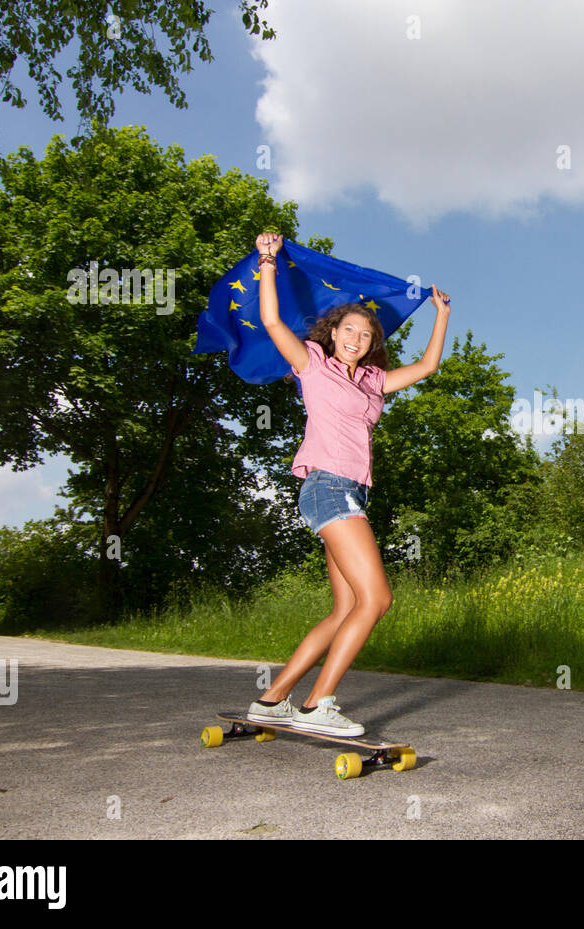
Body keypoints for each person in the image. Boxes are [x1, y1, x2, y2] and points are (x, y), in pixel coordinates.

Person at [244, 232, 450, 735]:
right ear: (333, 333)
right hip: (328, 487)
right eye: (349, 330)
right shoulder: (311, 365)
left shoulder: (372, 382)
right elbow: (272, 320)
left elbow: (427, 366)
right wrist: (267, 260)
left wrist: (440, 312)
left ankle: (272, 699)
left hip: (348, 492)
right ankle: (318, 705)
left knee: (345, 610)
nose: (357, 339)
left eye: (365, 335)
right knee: (376, 600)